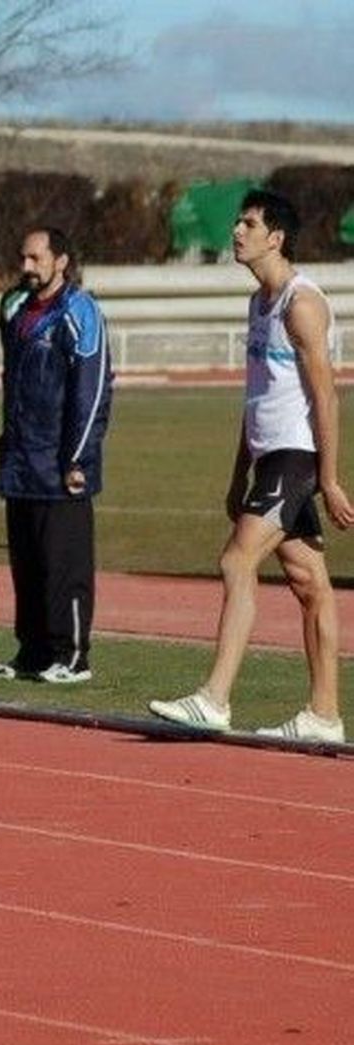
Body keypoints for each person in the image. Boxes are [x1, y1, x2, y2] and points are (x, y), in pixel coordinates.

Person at [149, 190, 354, 742]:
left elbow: (326, 397)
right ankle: (324, 715)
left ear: (276, 238)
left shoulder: (301, 303)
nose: (236, 231)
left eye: (248, 223)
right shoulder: (257, 303)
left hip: (297, 456)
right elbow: (255, 396)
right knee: (309, 583)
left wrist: (329, 479)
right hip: (268, 459)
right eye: (237, 221)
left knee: (237, 562)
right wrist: (238, 473)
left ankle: (214, 698)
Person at [0, 228, 112, 684]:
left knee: (64, 564)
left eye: (36, 258)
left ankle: (72, 655)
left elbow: (93, 389)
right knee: (27, 564)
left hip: (62, 464)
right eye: (23, 257)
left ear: (60, 261)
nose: (26, 266)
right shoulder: (13, 307)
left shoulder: (79, 310)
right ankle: (33, 650)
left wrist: (77, 458)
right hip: (20, 460)